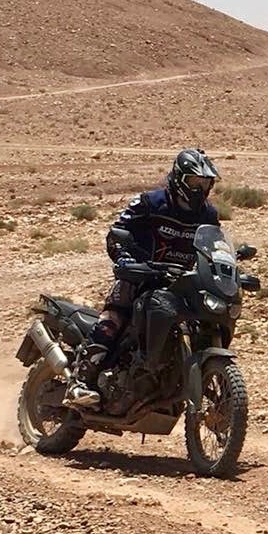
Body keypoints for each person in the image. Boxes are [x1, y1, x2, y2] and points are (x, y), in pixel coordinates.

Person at [64, 148, 221, 408]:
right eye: (195, 182)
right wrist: (124, 258)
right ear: (180, 179)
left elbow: (213, 245)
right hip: (140, 274)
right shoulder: (150, 202)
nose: (200, 189)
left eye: (205, 183)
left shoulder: (208, 215)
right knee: (113, 319)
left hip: (180, 282)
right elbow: (119, 232)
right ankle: (79, 383)